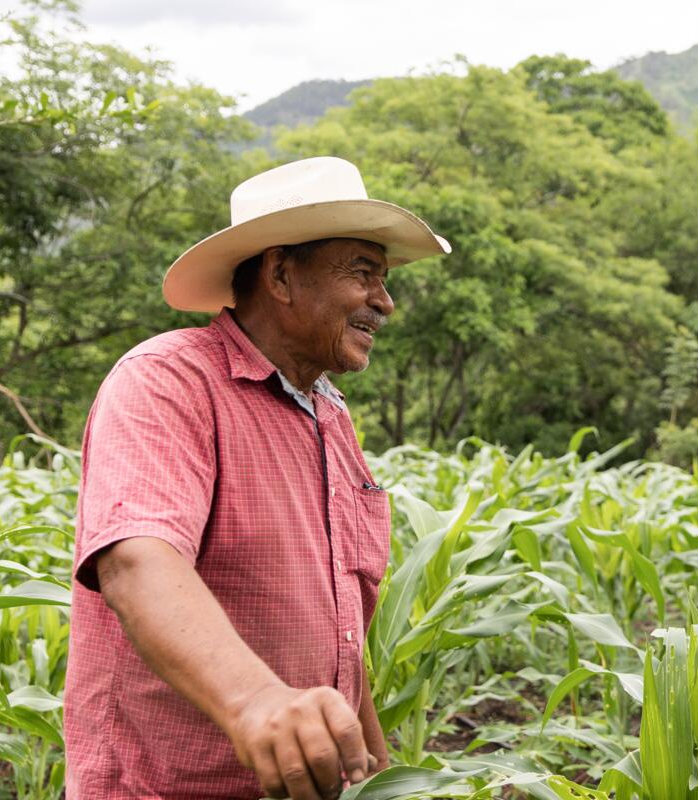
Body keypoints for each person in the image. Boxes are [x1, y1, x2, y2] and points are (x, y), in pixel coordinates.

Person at [64, 156, 451, 799]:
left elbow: (336, 632)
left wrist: (374, 767)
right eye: (364, 274)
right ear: (279, 273)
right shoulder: (169, 380)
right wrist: (254, 702)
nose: (385, 302)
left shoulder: (327, 411)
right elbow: (137, 561)